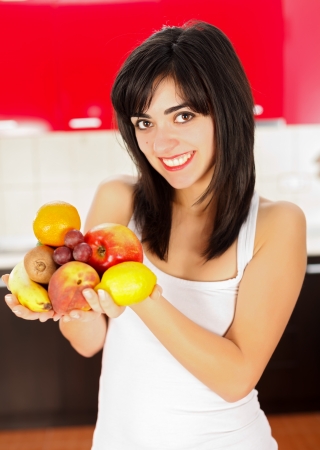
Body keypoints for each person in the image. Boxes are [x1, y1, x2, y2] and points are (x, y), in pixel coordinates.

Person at [3, 21, 306, 450]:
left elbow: (236, 378)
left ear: (227, 110)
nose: (162, 142)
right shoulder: (118, 200)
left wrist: (140, 291)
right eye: (144, 123)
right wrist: (68, 306)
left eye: (183, 115)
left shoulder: (277, 224)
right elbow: (90, 342)